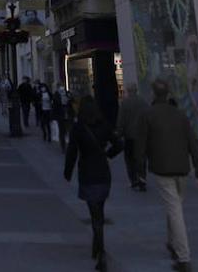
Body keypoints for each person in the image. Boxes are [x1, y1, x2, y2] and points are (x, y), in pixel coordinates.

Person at [141, 81, 198, 272]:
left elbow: (141, 144)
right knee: (175, 205)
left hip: (162, 169)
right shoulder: (180, 115)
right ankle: (172, 242)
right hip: (181, 168)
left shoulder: (149, 114)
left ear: (153, 94)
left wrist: (139, 169)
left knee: (175, 210)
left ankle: (183, 257)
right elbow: (193, 143)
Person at [64, 97, 124, 271]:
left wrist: (68, 172)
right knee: (99, 211)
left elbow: (72, 151)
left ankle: (101, 252)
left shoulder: (78, 128)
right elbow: (119, 144)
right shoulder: (104, 125)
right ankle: (96, 247)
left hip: (88, 173)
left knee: (95, 215)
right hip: (103, 172)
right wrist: (108, 154)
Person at [116, 88, 150, 191]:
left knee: (129, 159)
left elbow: (121, 119)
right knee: (141, 158)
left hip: (129, 135)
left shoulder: (125, 103)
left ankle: (133, 179)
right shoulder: (143, 102)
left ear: (128, 92)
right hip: (141, 135)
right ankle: (142, 177)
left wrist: (119, 132)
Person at [52, 83, 70, 150]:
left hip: (67, 115)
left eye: (62, 87)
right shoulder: (56, 95)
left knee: (68, 130)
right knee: (62, 131)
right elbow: (55, 106)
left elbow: (71, 101)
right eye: (60, 87)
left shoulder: (67, 93)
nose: (62, 88)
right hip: (60, 116)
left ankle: (67, 142)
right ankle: (63, 146)